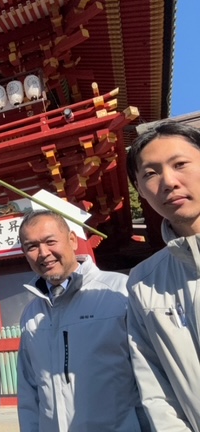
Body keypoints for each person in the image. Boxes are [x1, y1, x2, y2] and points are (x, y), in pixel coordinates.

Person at [17, 210, 147, 431]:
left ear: (72, 240)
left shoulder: (119, 292)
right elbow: (29, 391)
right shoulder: (32, 314)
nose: (43, 253)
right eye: (32, 246)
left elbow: (151, 376)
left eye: (50, 241)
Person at [126, 120, 200, 431]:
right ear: (139, 190)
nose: (168, 181)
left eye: (180, 164)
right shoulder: (144, 282)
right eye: (150, 174)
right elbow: (155, 386)